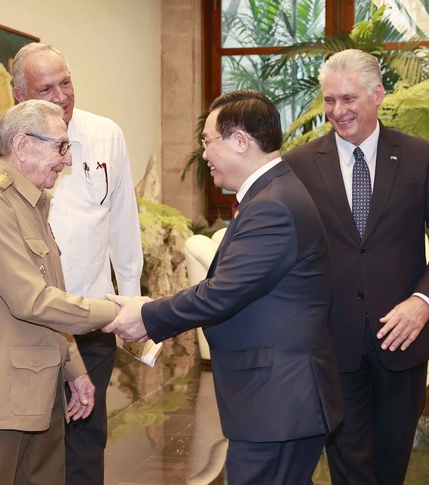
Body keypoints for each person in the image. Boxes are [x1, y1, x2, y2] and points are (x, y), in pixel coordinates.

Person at [104, 90, 343, 485]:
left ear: (241, 141)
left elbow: (221, 293)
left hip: (277, 401)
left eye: (207, 142)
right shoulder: (273, 194)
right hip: (277, 400)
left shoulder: (273, 205)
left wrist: (146, 316)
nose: (203, 155)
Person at [0, 42, 143, 484]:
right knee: (11, 454)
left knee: (77, 440)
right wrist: (124, 313)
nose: (61, 96)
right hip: (17, 334)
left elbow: (123, 227)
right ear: (19, 98)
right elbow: (23, 290)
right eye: (46, 88)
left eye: (66, 82)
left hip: (82, 327)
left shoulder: (105, 135)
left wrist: (129, 306)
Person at [285, 49, 429, 484]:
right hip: (332, 343)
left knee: (391, 464)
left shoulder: (420, 156)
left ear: (378, 94)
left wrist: (423, 303)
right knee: (348, 465)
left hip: (403, 342)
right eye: (329, 100)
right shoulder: (299, 164)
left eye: (348, 98)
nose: (337, 111)